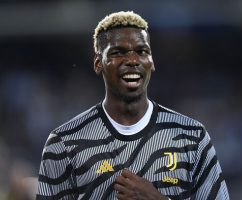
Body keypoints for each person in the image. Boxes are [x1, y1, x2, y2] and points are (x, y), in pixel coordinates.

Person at [36, 11, 229, 200]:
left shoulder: (192, 137)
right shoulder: (64, 143)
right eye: (118, 52)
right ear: (98, 63)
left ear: (151, 62)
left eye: (142, 51)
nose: (132, 60)